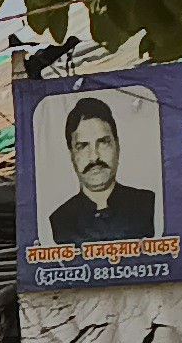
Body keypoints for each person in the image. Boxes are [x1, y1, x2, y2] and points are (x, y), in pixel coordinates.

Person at [47, 92, 157, 244]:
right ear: (71, 155)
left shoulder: (147, 204)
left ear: (117, 146)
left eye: (103, 142)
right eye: (83, 146)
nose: (94, 157)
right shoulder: (60, 219)